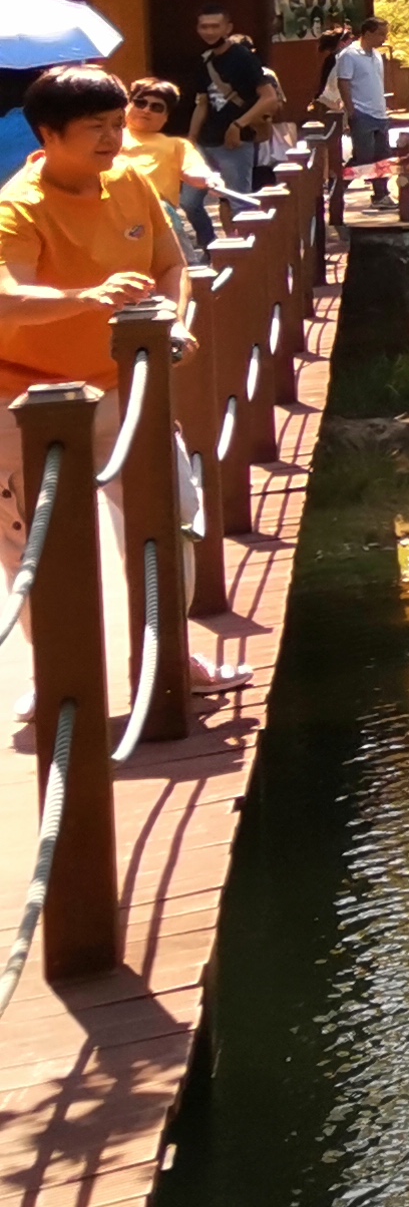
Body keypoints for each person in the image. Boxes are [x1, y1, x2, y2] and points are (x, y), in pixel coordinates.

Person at [0, 66, 217, 730]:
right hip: (26, 399)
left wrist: (175, 319)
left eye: (117, 124)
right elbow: (5, 296)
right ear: (48, 134)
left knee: (172, 512)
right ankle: (54, 675)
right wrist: (81, 300)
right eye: (95, 128)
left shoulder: (130, 179)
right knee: (33, 546)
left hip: (125, 382)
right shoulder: (19, 206)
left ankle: (170, 657)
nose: (112, 138)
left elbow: (172, 263)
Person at [191, 10, 279, 194]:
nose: (209, 32)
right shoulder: (205, 59)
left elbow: (269, 97)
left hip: (235, 142)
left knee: (239, 200)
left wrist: (238, 125)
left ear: (227, 28)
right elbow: (203, 103)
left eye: (215, 26)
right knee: (189, 202)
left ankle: (242, 225)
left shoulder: (243, 57)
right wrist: (191, 139)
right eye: (204, 27)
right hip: (205, 141)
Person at [124, 77, 217, 248]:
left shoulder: (177, 145)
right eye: (140, 103)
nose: (146, 110)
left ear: (166, 117)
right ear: (128, 105)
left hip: (159, 212)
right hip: (113, 209)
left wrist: (209, 179)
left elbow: (195, 170)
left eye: (156, 107)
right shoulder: (110, 138)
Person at [320, 16, 396, 203]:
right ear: (368, 33)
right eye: (380, 34)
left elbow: (376, 82)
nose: (383, 39)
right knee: (363, 157)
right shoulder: (350, 55)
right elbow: (343, 82)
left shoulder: (377, 55)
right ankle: (336, 188)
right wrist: (350, 109)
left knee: (382, 155)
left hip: (379, 112)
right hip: (361, 111)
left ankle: (381, 194)